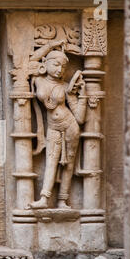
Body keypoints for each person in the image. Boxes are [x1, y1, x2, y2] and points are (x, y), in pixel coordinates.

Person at [28, 40, 87, 209]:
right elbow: (31, 63)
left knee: (68, 163)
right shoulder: (38, 79)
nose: (59, 69)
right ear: (45, 63)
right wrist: (50, 46)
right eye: (55, 64)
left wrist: (82, 96)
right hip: (53, 126)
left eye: (63, 67)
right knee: (51, 160)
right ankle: (44, 199)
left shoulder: (66, 86)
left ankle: (62, 200)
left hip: (70, 126)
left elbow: (80, 118)